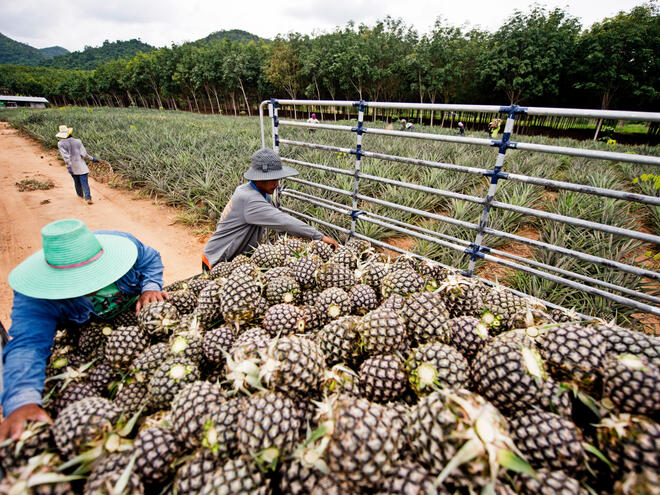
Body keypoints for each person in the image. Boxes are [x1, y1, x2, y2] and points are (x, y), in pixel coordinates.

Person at [0, 219, 169, 441]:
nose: (92, 285)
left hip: (135, 318)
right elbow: (27, 345)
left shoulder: (125, 244)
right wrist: (22, 400)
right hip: (91, 334)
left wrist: (150, 287)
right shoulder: (36, 298)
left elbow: (151, 259)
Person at [202, 148, 338, 270]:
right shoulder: (250, 199)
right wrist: (319, 237)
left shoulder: (256, 192)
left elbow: (277, 221)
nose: (277, 184)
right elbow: (284, 221)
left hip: (234, 259)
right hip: (217, 260)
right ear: (260, 179)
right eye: (273, 179)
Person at [56, 125, 99, 205]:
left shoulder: (60, 143)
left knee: (76, 181)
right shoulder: (77, 141)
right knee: (84, 182)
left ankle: (80, 195)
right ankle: (88, 198)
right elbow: (84, 154)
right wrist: (92, 158)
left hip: (72, 166)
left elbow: (66, 156)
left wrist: (69, 166)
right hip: (81, 165)